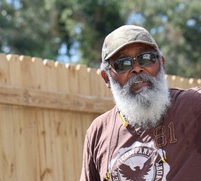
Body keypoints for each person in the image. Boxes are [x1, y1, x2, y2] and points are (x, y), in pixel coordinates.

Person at [80, 25, 201, 181]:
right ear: (106, 77)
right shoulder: (98, 133)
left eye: (146, 58)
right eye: (123, 64)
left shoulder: (193, 106)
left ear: (162, 64)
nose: (137, 69)